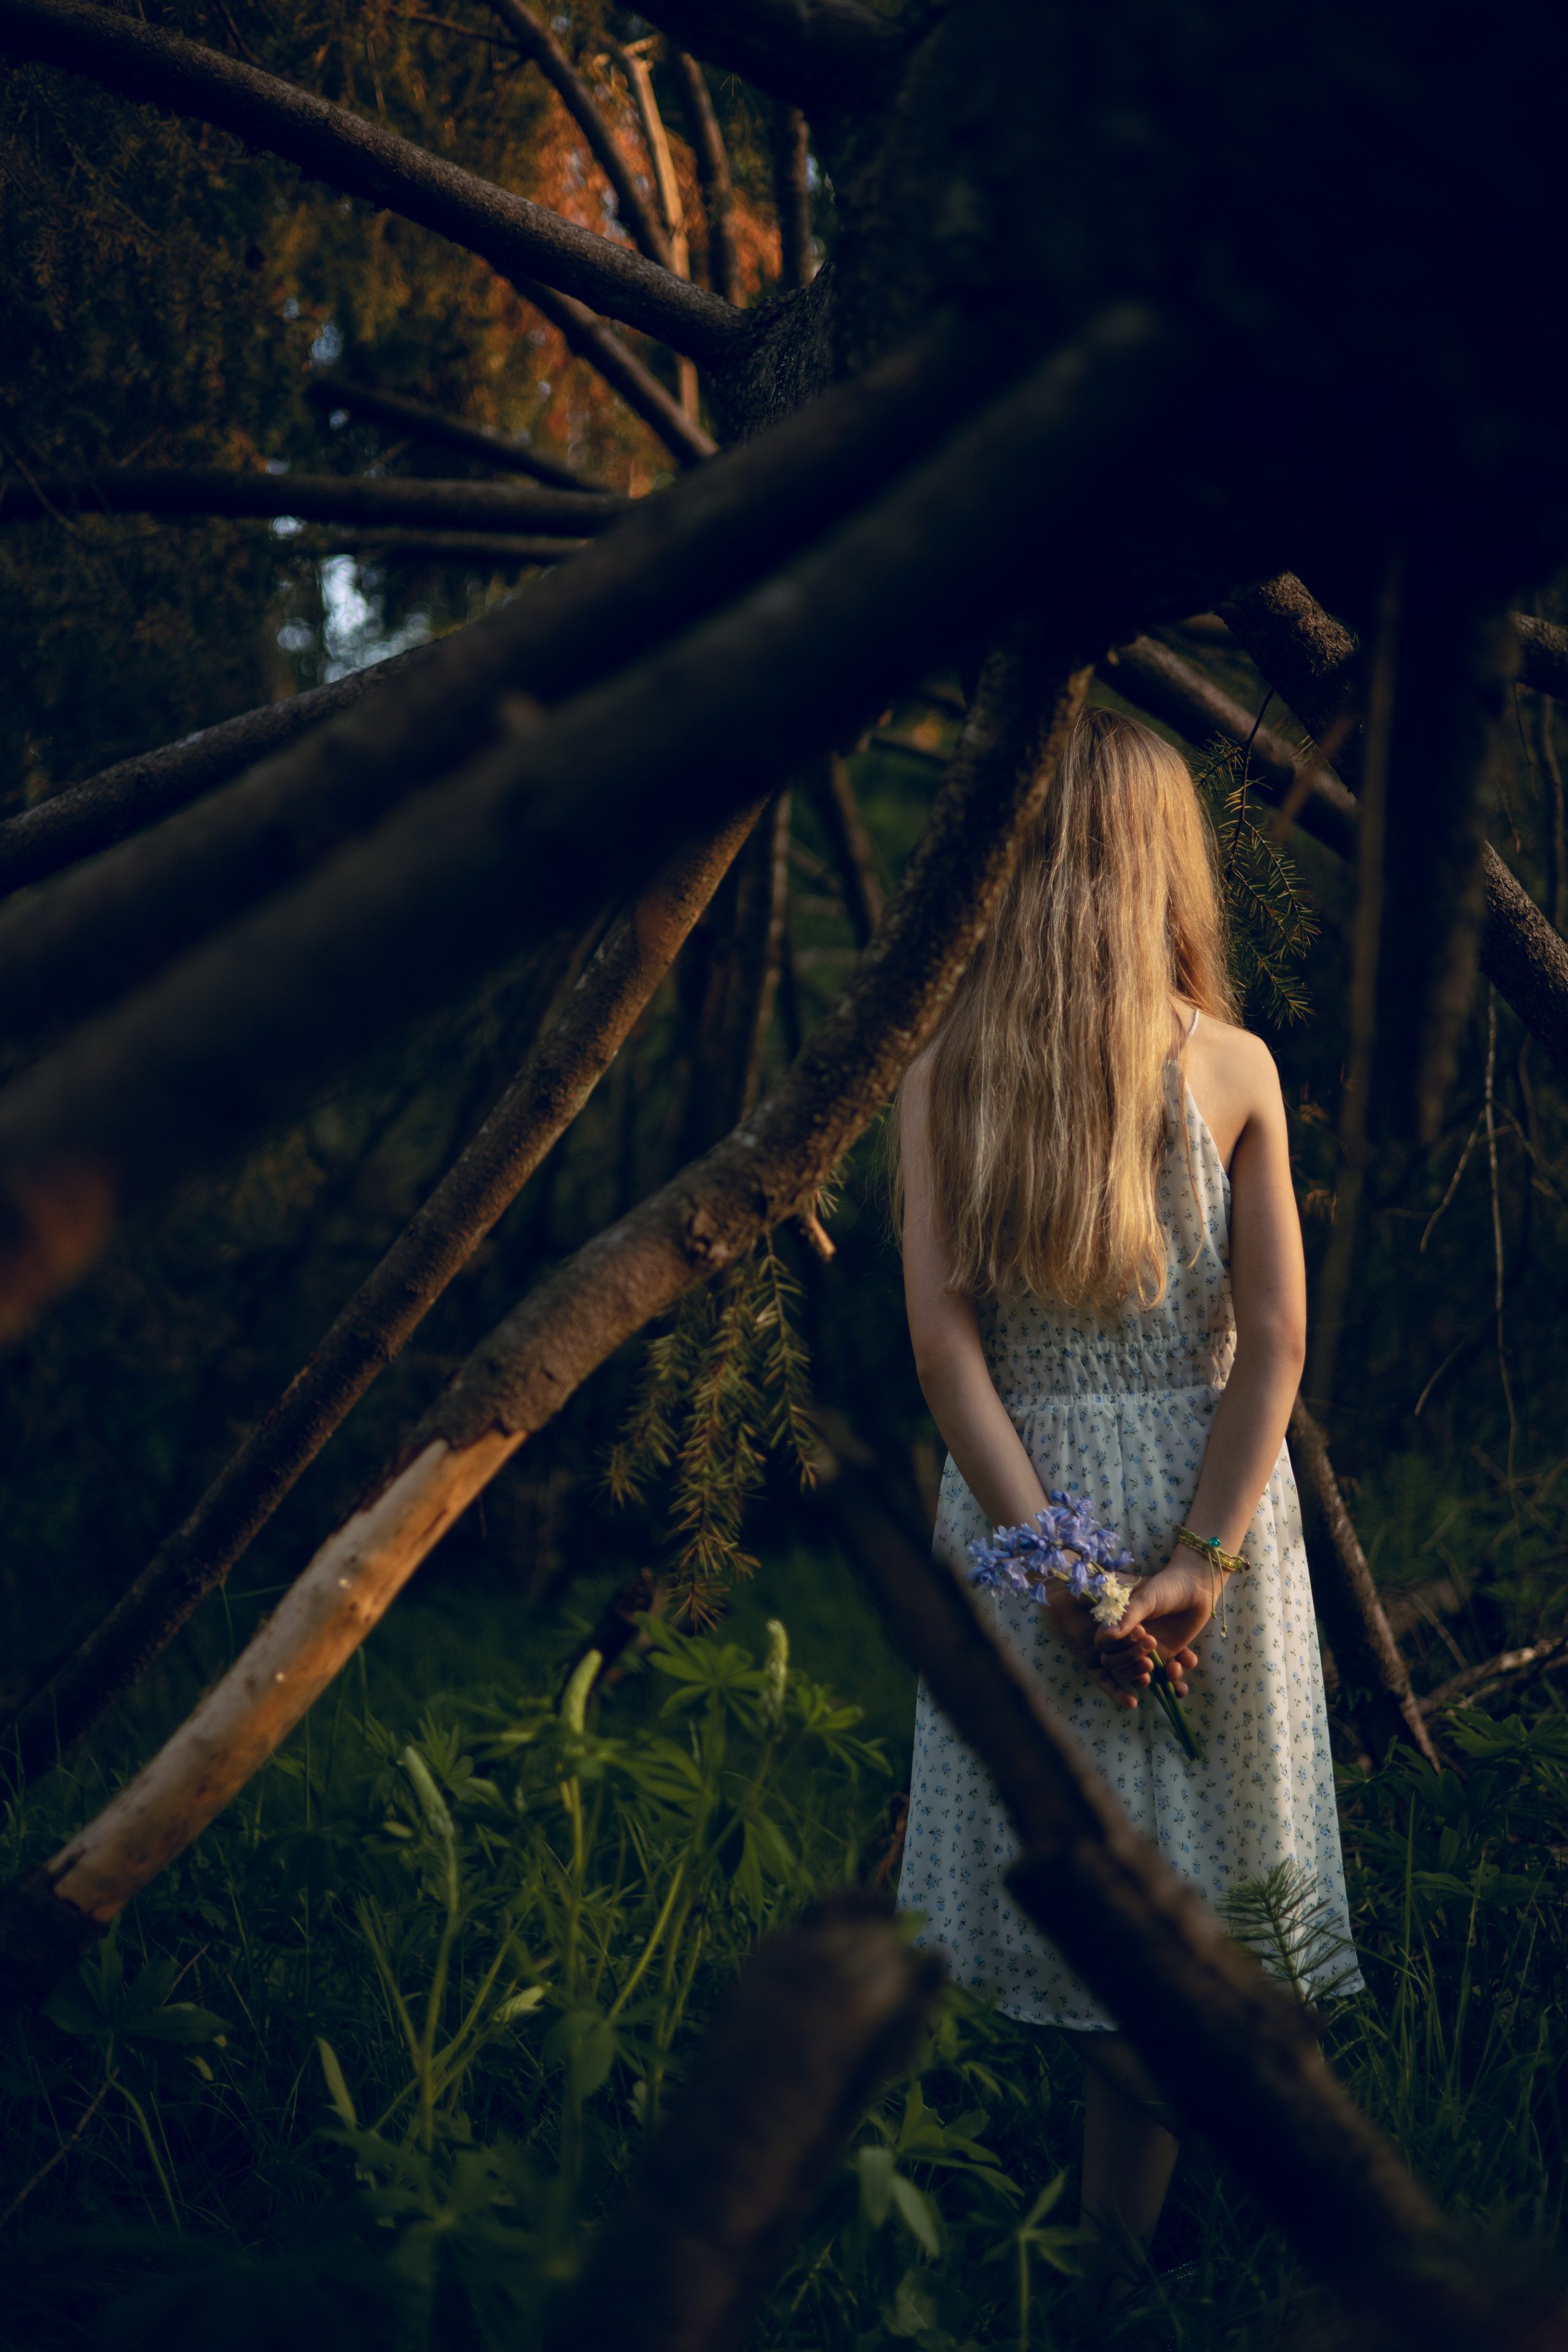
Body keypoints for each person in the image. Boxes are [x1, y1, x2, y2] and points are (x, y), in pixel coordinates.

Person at [892, 704, 1360, 2290]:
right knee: (1199, 1903)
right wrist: (1198, 1564)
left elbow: (946, 1351)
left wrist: (1057, 1565)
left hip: (1029, 1514)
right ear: (1171, 870)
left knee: (1100, 1896)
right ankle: (1130, 2270)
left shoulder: (943, 1072)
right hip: (1195, 1505)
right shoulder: (1232, 1067)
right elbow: (1277, 1340)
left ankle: (1099, 2255)